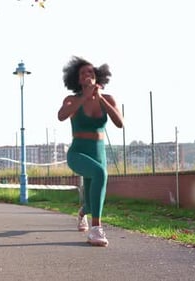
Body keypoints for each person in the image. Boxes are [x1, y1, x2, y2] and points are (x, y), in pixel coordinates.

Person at [57, 56, 124, 246]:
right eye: (83, 73)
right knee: (100, 173)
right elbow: (61, 116)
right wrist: (84, 98)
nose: (87, 75)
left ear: (97, 77)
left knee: (91, 199)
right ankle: (96, 229)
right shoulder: (71, 99)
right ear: (77, 80)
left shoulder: (107, 98)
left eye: (91, 72)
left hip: (98, 153)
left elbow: (120, 123)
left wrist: (100, 98)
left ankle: (82, 212)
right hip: (78, 153)